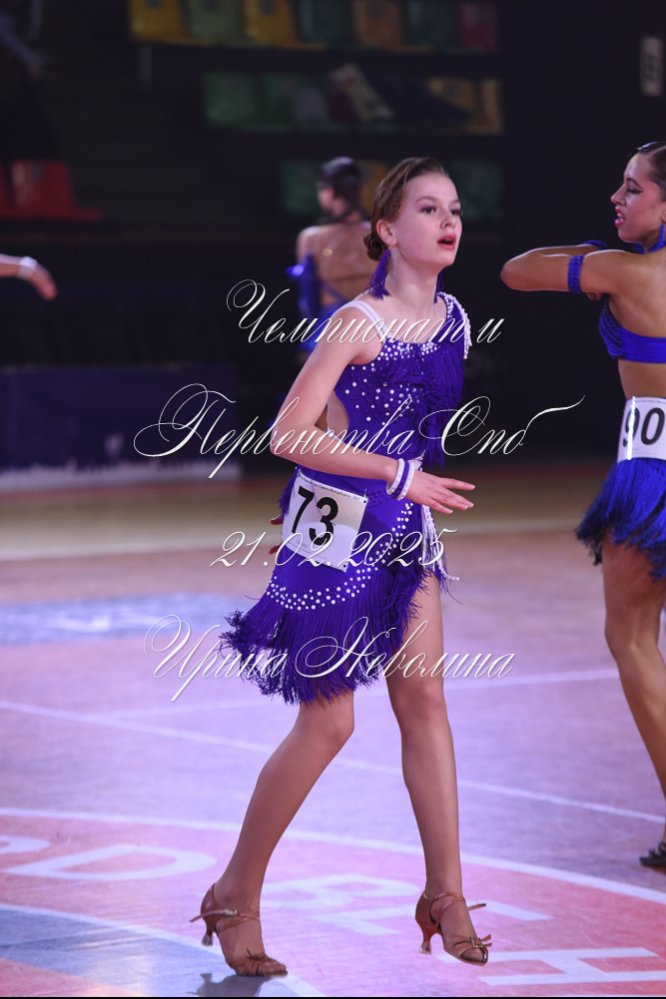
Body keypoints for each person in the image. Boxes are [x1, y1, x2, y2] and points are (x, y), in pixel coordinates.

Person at [190, 157, 493, 976]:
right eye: (428, 208)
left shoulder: (457, 318)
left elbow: (401, 435)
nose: (448, 220)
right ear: (387, 230)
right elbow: (289, 433)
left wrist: (407, 489)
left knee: (425, 698)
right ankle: (234, 891)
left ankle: (446, 892)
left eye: (454, 207)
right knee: (329, 723)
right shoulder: (356, 322)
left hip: (404, 527)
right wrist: (395, 476)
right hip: (339, 535)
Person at [500, 140, 666, 870]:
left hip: (652, 470)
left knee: (632, 638)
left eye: (633, 188)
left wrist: (591, 256)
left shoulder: (623, 271)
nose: (617, 198)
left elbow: (516, 270)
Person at [287, 157, 377, 359]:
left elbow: (308, 298)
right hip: (378, 328)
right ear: (361, 191)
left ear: (328, 192)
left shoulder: (311, 238)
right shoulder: (380, 234)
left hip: (333, 331)